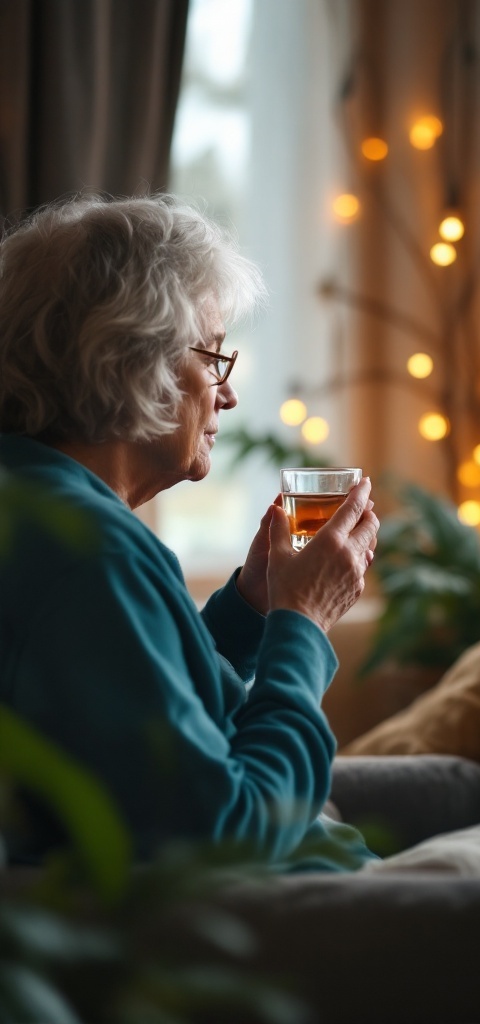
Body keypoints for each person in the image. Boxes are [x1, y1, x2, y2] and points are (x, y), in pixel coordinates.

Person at [0, 192, 380, 870]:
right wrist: (304, 623)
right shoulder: (92, 553)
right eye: (214, 358)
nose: (226, 394)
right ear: (132, 357)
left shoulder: (37, 506)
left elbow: (140, 722)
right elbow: (224, 836)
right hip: (310, 929)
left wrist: (251, 612)